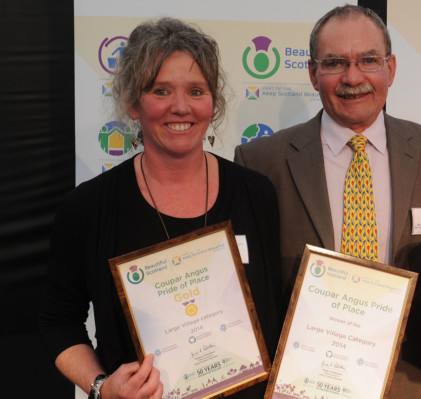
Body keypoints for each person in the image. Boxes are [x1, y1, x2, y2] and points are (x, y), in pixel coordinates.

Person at [234, 5, 421, 398]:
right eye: (335, 63)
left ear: (391, 69)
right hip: (303, 382)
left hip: (410, 382)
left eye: (368, 61)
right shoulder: (261, 162)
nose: (353, 77)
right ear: (313, 73)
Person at [38, 18, 282, 399]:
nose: (181, 107)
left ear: (213, 103)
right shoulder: (87, 207)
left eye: (196, 91)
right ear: (134, 104)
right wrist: (102, 388)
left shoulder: (256, 193)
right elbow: (58, 323)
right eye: (161, 90)